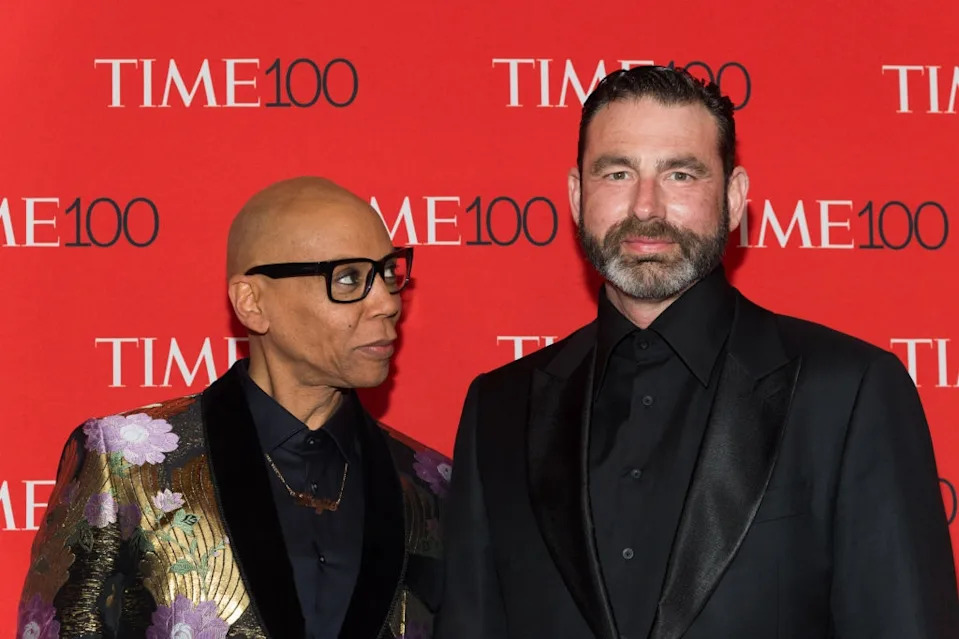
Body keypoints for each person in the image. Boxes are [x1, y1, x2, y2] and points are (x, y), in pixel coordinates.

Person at [436, 66, 958, 639]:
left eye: (680, 174)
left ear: (734, 199)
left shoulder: (849, 391)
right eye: (617, 172)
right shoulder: (501, 408)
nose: (645, 207)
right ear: (577, 195)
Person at [18, 177, 449, 639]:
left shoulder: (433, 485)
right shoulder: (125, 462)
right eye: (348, 278)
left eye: (388, 274)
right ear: (252, 303)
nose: (387, 302)